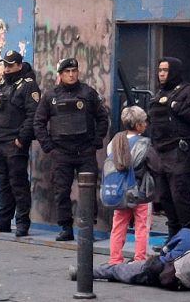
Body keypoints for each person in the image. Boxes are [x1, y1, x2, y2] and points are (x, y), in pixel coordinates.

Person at [34, 57, 109, 241]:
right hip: (61, 152)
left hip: (85, 151)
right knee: (61, 191)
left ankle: (87, 228)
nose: (71, 74)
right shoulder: (50, 96)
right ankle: (66, 228)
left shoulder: (88, 93)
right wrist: (48, 146)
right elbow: (39, 122)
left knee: (89, 191)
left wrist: (96, 141)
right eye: (67, 72)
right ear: (60, 74)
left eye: (74, 71)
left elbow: (102, 118)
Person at [73, 211, 190, 290]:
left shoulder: (188, 234)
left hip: (158, 272)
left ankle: (83, 272)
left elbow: (164, 252)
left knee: (117, 269)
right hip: (181, 284)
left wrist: (157, 258)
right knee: (127, 270)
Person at [0, 50, 40, 238]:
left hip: (15, 143)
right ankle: (3, 221)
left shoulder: (28, 86)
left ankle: (22, 223)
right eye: (5, 65)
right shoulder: (2, 83)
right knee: (4, 184)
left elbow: (33, 115)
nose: (6, 68)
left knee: (19, 184)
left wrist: (21, 139)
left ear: (19, 65)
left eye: (10, 65)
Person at [147, 57, 190, 242]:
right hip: (160, 151)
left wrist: (176, 106)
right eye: (160, 70)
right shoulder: (159, 93)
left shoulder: (187, 91)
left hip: (179, 151)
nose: (162, 73)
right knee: (164, 196)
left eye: (166, 70)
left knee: (180, 194)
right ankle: (173, 238)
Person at [106, 106, 152, 264]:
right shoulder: (145, 143)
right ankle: (140, 259)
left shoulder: (115, 142)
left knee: (118, 225)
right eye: (144, 122)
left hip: (120, 190)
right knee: (142, 227)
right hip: (140, 191)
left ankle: (115, 259)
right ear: (138, 125)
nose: (146, 124)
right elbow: (154, 165)